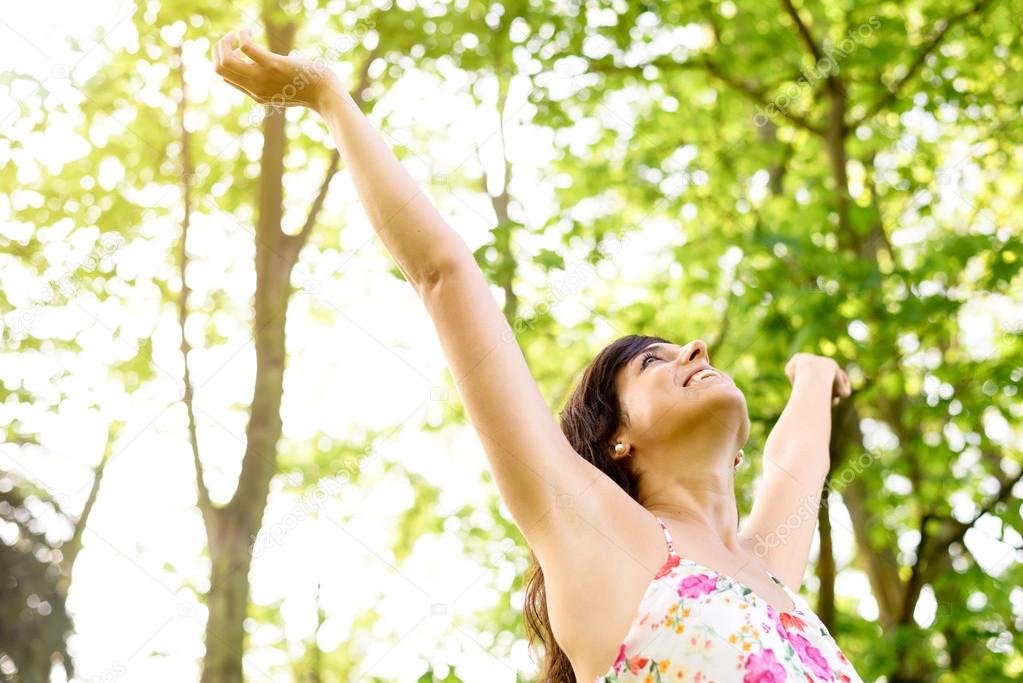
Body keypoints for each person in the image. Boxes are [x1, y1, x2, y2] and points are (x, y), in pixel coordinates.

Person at [212, 29, 861, 682]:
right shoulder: (603, 539)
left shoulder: (769, 566)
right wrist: (327, 95)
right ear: (615, 441)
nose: (694, 348)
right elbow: (443, 274)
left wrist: (811, 377)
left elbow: (800, 460)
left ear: (740, 448)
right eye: (652, 363)